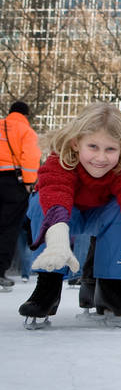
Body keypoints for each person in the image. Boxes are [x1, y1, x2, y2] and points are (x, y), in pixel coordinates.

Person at [18, 102, 121, 327]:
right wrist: (58, 239)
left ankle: (112, 285)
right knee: (41, 201)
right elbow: (56, 192)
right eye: (93, 147)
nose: (100, 158)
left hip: (102, 218)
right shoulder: (60, 161)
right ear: (76, 143)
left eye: (110, 149)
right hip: (65, 215)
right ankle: (48, 285)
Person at [0, 101, 41, 291]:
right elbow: (30, 157)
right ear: (26, 114)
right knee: (8, 228)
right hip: (12, 182)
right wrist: (29, 182)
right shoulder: (26, 131)